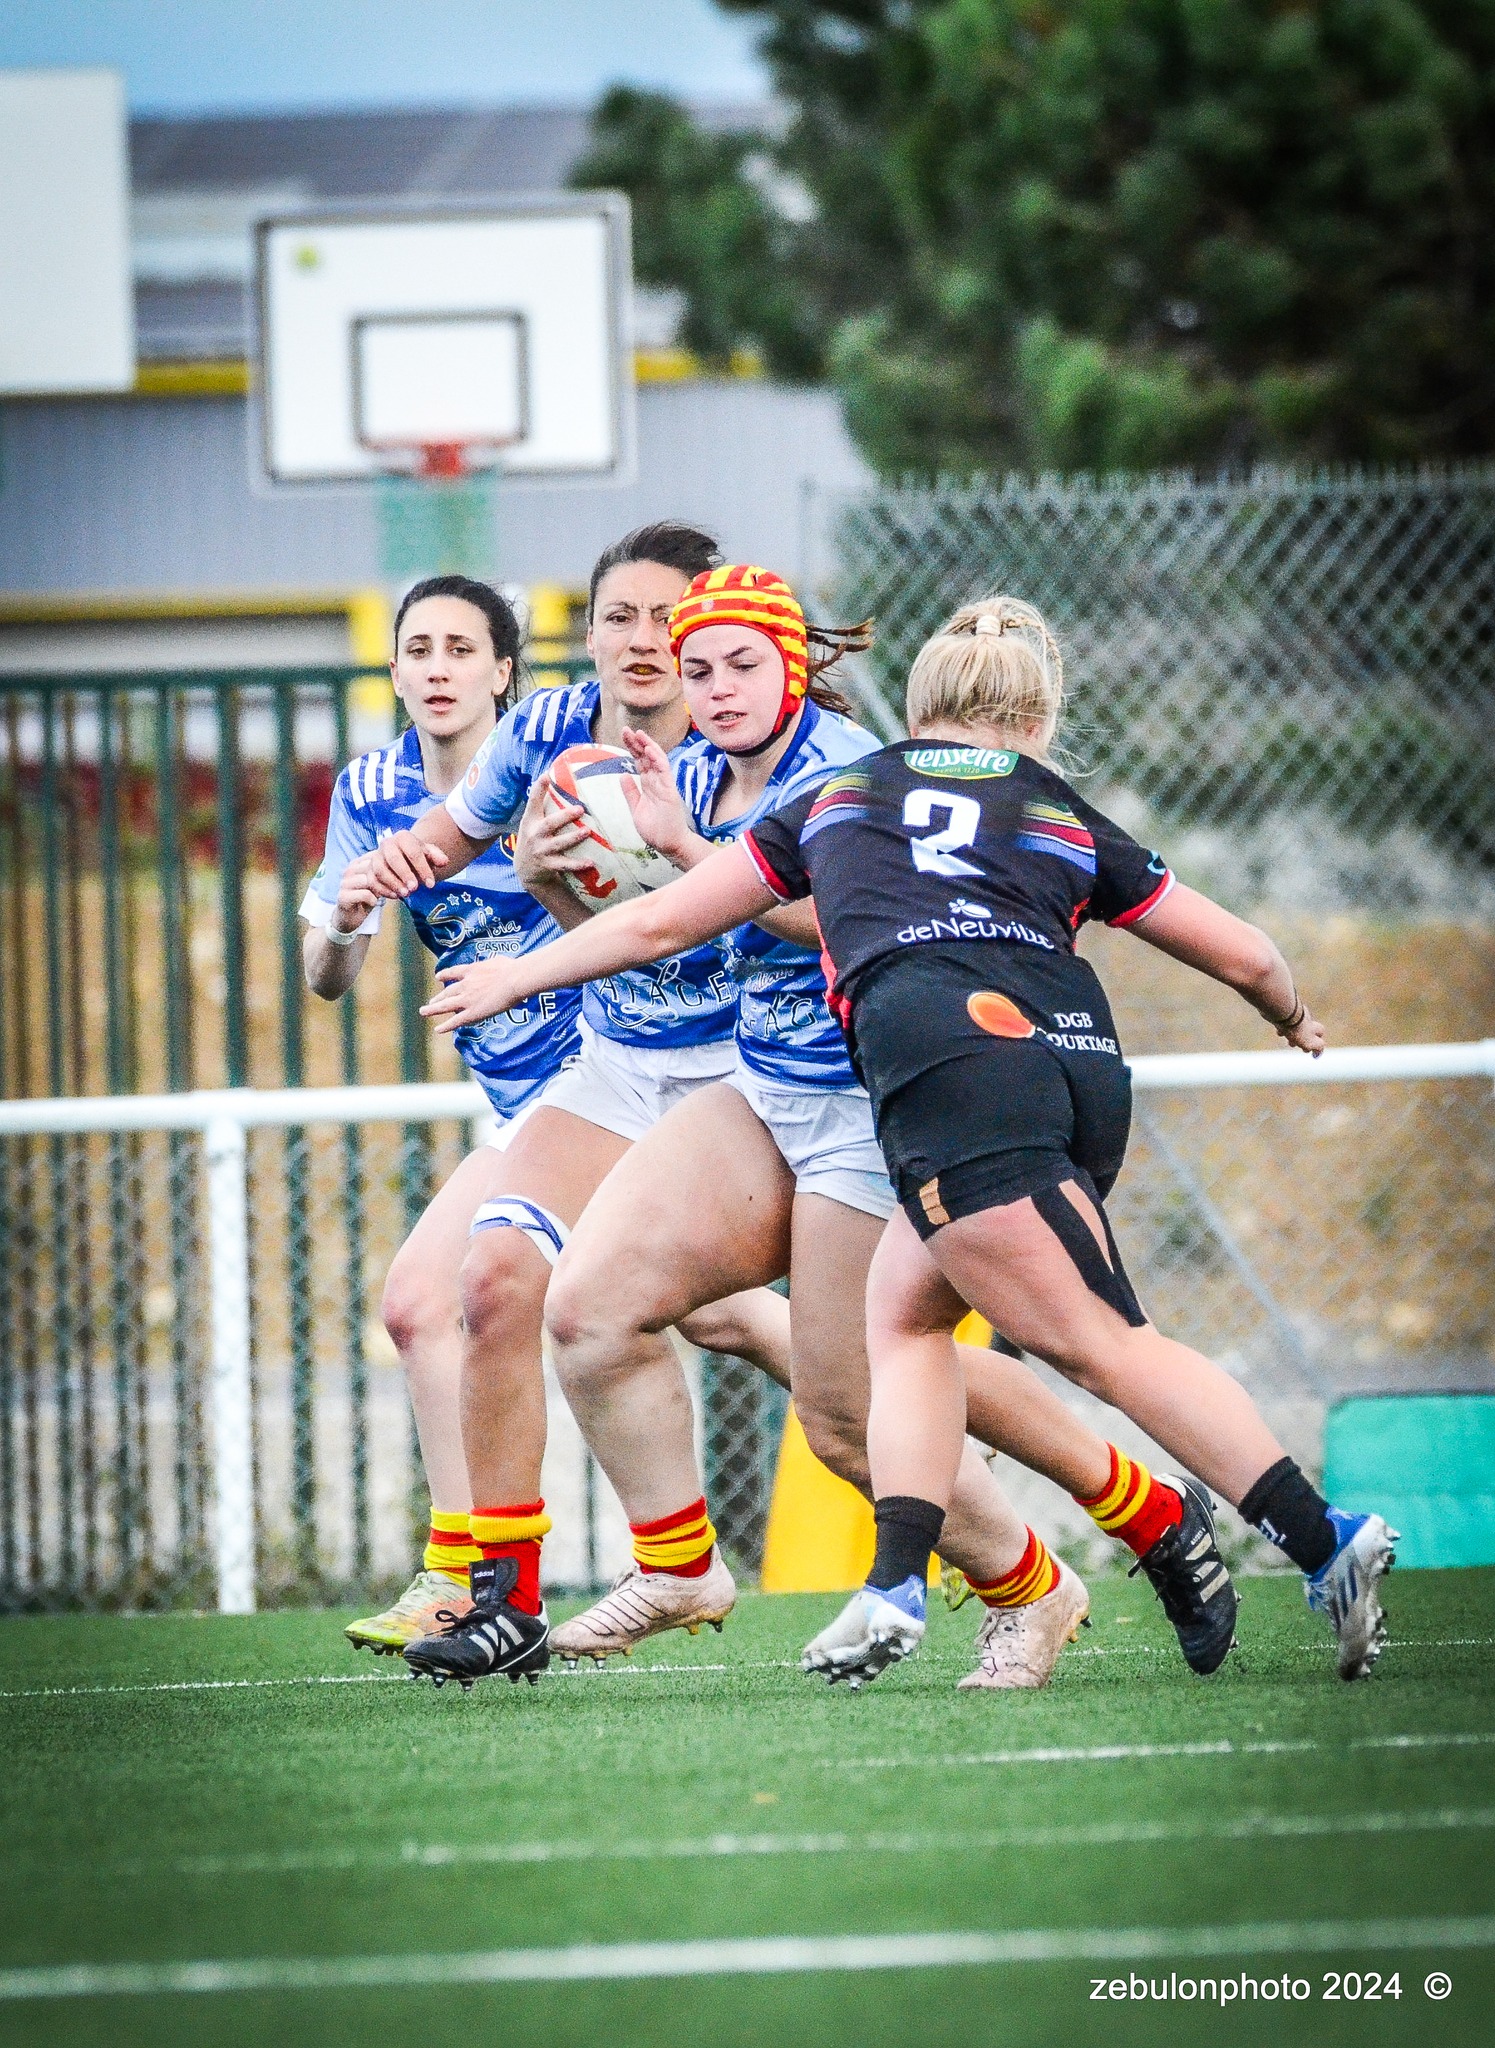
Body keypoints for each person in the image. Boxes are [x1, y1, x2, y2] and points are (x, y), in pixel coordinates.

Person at [423, 592, 1398, 1688]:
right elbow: (1243, 950)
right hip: (904, 1072)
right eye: (696, 669)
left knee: (973, 1374)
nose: (713, 688)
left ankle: (1282, 1537)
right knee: (627, 1308)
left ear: (804, 667)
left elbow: (722, 914)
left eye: (738, 662)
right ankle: (757, 1573)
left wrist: (523, 966)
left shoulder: (845, 780)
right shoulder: (1037, 801)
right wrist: (1289, 1012)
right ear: (1038, 722)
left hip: (921, 1085)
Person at [359, 526, 791, 1689]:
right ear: (586, 631)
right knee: (495, 1278)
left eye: (667, 619)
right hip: (614, 1060)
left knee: (827, 1365)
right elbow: (444, 836)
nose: (642, 641)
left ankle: (1015, 1534)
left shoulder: (752, 746)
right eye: (617, 617)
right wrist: (385, 873)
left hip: (745, 1074)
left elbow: (714, 925)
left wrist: (542, 928)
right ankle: (503, 1596)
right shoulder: (545, 731)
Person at [301, 573, 580, 1655]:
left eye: (462, 649)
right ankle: (463, 1577)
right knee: (420, 1306)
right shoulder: (370, 792)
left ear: (504, 670)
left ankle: (909, 1431)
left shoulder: (560, 774)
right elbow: (326, 976)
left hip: (601, 1082)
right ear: (393, 670)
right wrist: (346, 915)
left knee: (701, 1318)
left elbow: (645, 921)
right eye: (418, 649)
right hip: (516, 1104)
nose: (438, 668)